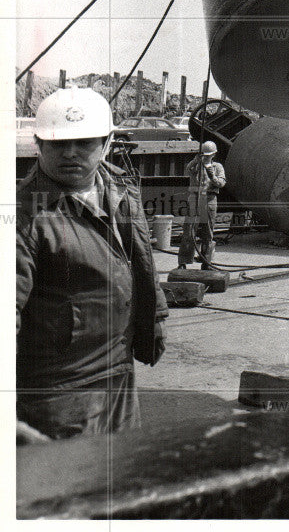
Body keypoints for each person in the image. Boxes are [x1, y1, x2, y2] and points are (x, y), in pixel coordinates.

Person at [16, 87, 168, 443]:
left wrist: (155, 317)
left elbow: (141, 257)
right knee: (70, 490)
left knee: (119, 481)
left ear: (107, 142)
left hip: (118, 372)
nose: (70, 153)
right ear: (38, 145)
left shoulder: (119, 188)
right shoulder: (25, 215)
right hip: (60, 389)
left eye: (84, 142)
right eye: (57, 144)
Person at [178, 141, 226, 270]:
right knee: (189, 231)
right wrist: (196, 160)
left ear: (214, 155)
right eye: (204, 155)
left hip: (210, 199)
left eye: (209, 155)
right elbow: (188, 169)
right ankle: (183, 262)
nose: (206, 157)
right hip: (195, 198)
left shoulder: (217, 167)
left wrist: (212, 175)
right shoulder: (195, 166)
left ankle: (206, 262)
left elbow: (221, 183)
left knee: (208, 232)